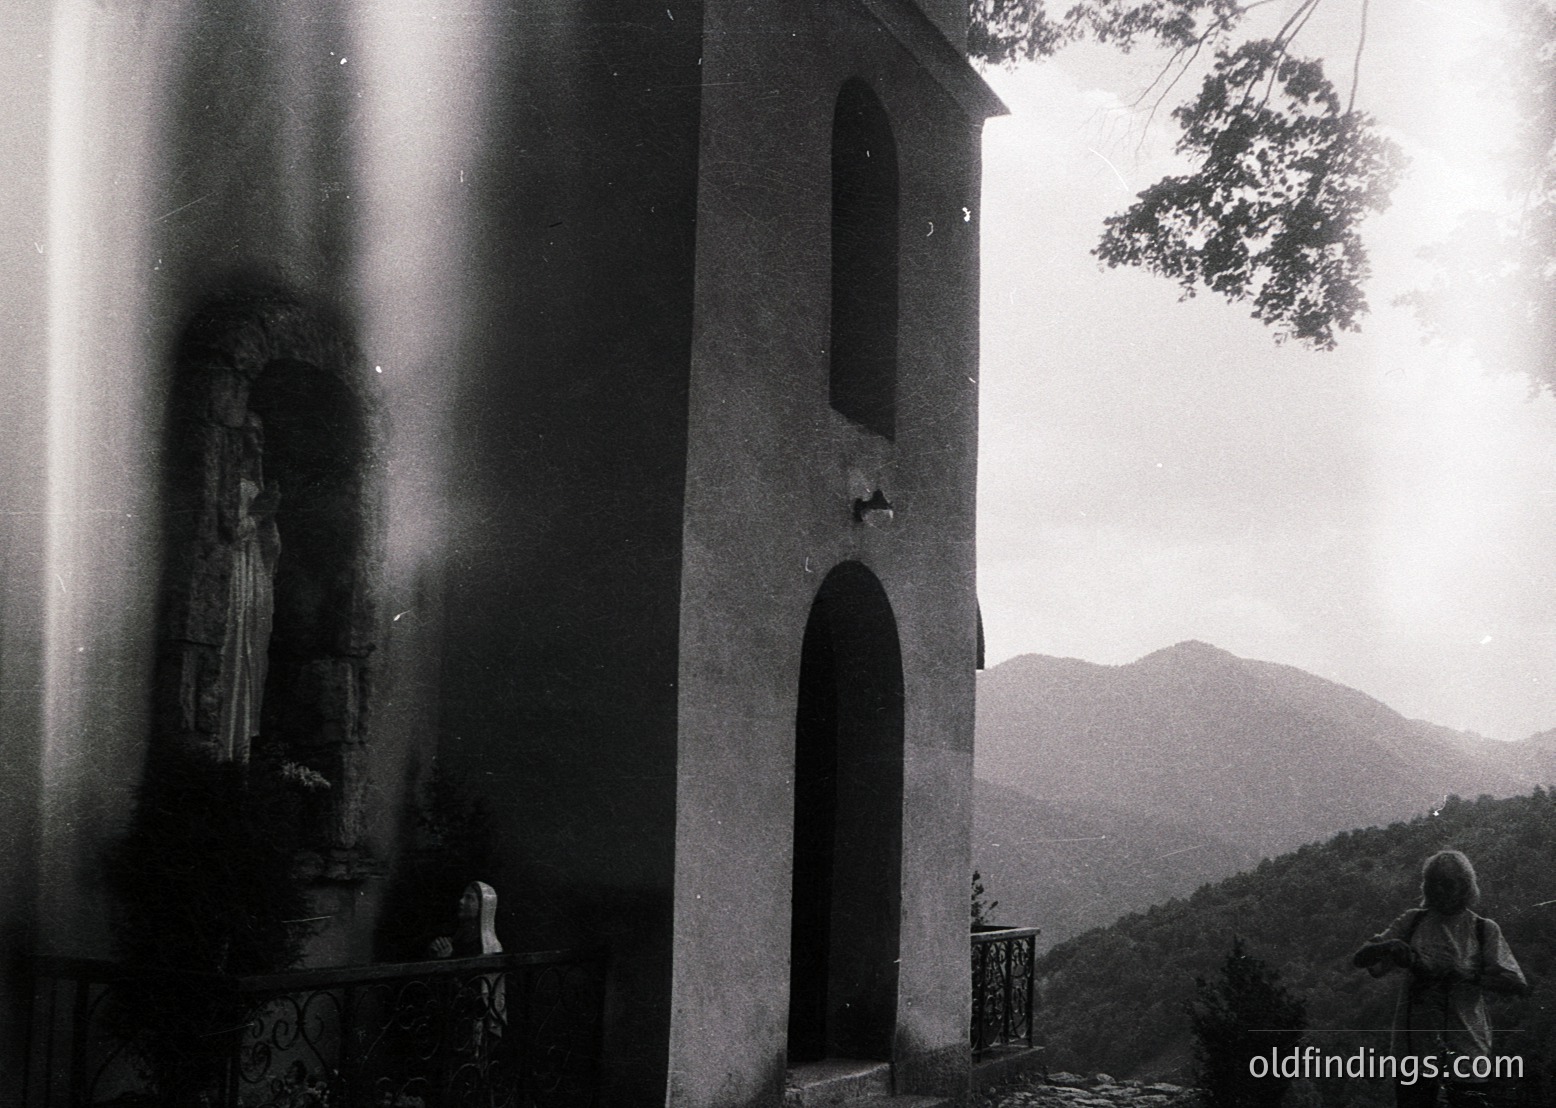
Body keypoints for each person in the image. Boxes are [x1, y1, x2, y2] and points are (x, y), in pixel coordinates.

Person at [1354, 850, 1528, 1108]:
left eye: (1447, 883)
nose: (1439, 890)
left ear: (1465, 886)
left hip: (1467, 1050)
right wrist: (1388, 946)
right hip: (1414, 1051)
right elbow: (1361, 959)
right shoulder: (1412, 920)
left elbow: (1517, 984)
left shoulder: (1483, 929)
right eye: (1433, 882)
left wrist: (1471, 976)